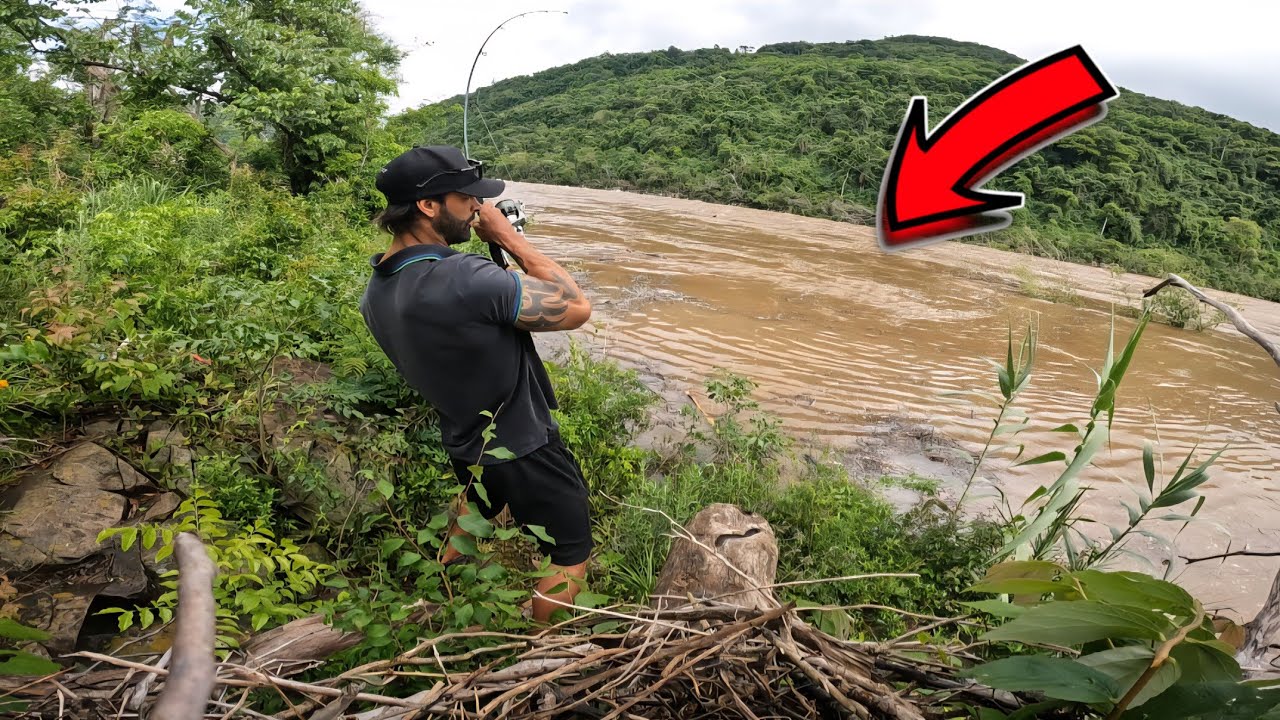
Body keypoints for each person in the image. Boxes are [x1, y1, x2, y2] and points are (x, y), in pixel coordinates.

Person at [359, 145, 593, 623]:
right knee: (570, 555)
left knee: (472, 515)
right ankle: (538, 652)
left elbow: (466, 320)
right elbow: (576, 307)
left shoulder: (378, 288)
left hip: (467, 439)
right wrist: (510, 239)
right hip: (525, 446)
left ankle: (438, 598)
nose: (477, 210)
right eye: (467, 198)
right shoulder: (466, 276)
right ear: (428, 206)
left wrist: (496, 276)